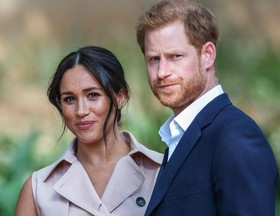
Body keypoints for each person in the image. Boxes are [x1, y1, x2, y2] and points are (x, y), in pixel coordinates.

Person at [136, 0, 278, 215]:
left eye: (175, 56)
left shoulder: (236, 137)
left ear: (208, 55)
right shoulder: (179, 137)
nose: (162, 71)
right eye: (154, 59)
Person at [14, 46, 163, 216]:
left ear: (120, 97)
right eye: (69, 99)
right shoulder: (38, 189)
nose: (81, 111)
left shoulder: (161, 172)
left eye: (92, 95)